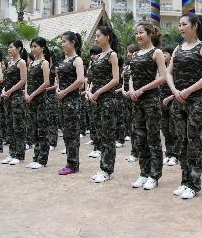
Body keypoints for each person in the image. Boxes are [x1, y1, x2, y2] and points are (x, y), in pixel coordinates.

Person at [167, 13, 202, 199]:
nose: (181, 27)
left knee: (194, 143)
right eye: (179, 24)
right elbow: (168, 73)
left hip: (195, 103)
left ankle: (194, 184)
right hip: (179, 102)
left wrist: (188, 91)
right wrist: (175, 91)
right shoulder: (178, 49)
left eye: (184, 24)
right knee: (182, 143)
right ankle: (184, 181)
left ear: (195, 26)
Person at [128, 22, 167, 190]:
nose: (138, 36)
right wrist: (131, 90)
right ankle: (143, 173)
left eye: (141, 33)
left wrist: (142, 89)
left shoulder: (156, 52)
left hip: (151, 100)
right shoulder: (135, 55)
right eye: (136, 33)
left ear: (150, 34)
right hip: (136, 101)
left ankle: (154, 175)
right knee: (139, 138)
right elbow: (131, 76)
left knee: (153, 138)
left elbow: (163, 77)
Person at [88, 26, 120, 183]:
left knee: (108, 136)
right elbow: (91, 79)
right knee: (100, 136)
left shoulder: (112, 55)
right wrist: (89, 92)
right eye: (95, 36)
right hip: (97, 100)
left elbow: (115, 79)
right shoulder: (98, 57)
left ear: (107, 37)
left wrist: (98, 92)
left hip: (108, 100)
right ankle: (103, 167)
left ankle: (107, 170)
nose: (96, 38)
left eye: (99, 36)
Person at [57, 31, 85, 175]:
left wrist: (65, 91)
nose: (62, 44)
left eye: (64, 41)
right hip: (62, 101)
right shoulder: (64, 60)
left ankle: (73, 164)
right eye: (61, 42)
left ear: (72, 42)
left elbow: (80, 80)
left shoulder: (77, 60)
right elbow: (59, 79)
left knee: (72, 133)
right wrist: (57, 88)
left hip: (72, 101)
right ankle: (70, 162)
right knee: (66, 133)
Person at [25, 37, 51, 169]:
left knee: (42, 130)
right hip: (30, 100)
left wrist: (33, 94)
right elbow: (27, 81)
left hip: (40, 100)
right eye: (32, 46)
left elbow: (46, 83)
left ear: (42, 48)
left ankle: (42, 159)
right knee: (34, 129)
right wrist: (26, 93)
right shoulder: (31, 64)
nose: (33, 49)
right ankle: (35, 157)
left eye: (35, 46)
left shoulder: (44, 63)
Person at [1, 40, 28, 165]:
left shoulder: (21, 62)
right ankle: (12, 153)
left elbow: (23, 80)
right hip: (8, 97)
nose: (8, 49)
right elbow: (6, 80)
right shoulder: (10, 63)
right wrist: (4, 91)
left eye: (11, 47)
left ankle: (19, 154)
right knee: (10, 126)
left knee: (18, 126)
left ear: (18, 49)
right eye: (8, 47)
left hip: (17, 97)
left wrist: (10, 91)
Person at [160, 45, 179, 166]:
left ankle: (175, 154)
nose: (163, 55)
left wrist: (171, 97)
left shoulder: (175, 70)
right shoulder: (162, 69)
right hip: (162, 102)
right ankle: (169, 153)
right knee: (165, 129)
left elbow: (179, 87)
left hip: (173, 101)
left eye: (165, 53)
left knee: (174, 129)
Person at [122, 44, 140, 163]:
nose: (128, 54)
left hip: (137, 98)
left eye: (131, 51)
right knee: (131, 126)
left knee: (138, 127)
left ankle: (138, 152)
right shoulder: (127, 67)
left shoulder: (139, 65)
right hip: (127, 99)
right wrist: (124, 90)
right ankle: (134, 152)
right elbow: (124, 81)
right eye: (128, 52)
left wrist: (133, 92)